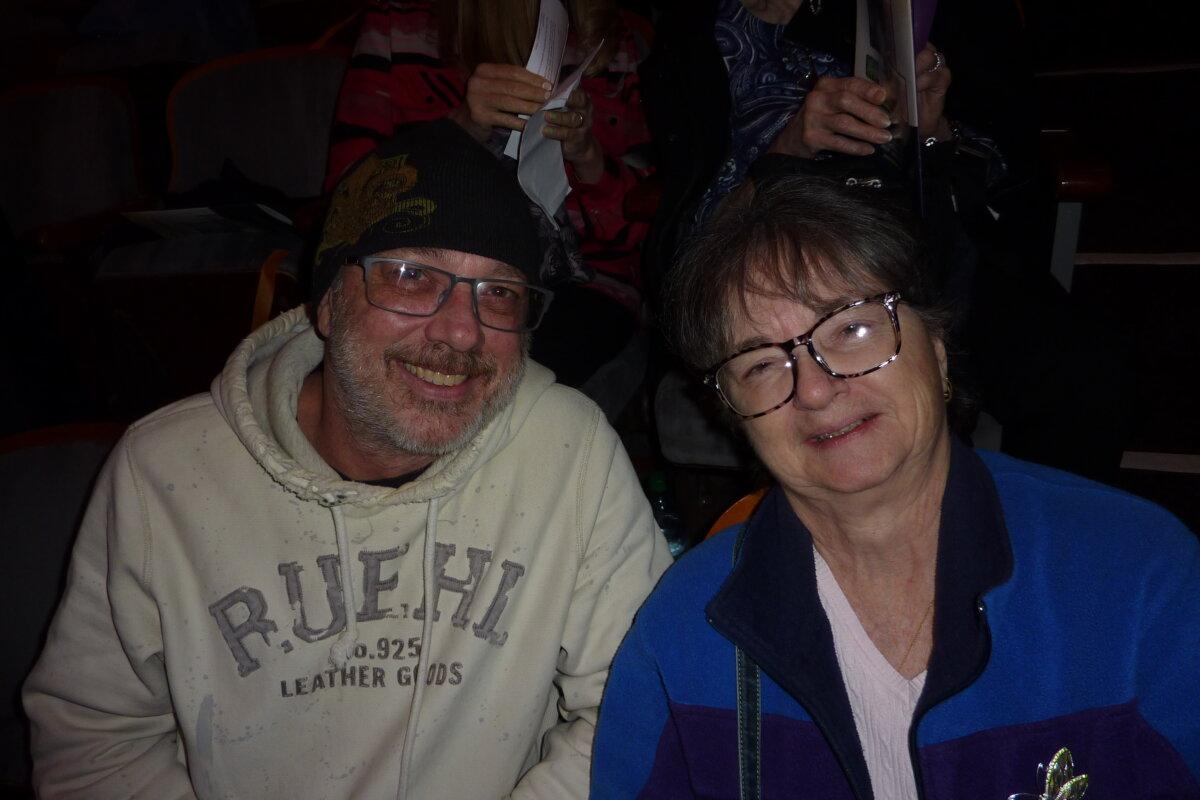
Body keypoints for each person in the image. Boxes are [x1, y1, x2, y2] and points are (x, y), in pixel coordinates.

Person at [24, 118, 671, 799]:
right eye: (412, 276)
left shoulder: (567, 451)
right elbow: (95, 743)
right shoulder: (165, 473)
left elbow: (636, 710)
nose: (461, 331)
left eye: (499, 292)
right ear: (328, 303)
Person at [590, 176, 1200, 798]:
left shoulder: (1138, 578)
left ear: (936, 350)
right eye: (761, 365)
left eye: (852, 330)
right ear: (734, 416)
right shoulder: (685, 631)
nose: (816, 389)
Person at [328, 0, 654, 395]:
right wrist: (461, 127)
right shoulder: (401, 22)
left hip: (580, 284)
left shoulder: (614, 35)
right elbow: (346, 207)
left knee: (514, 386)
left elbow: (639, 226)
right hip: (424, 264)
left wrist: (586, 156)